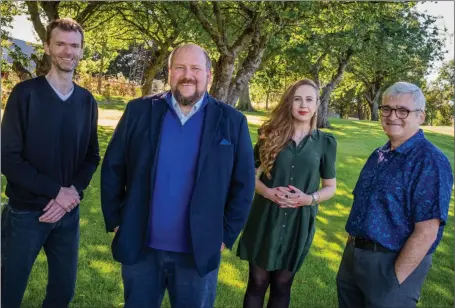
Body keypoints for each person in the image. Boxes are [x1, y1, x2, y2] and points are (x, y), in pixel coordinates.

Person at [101, 43, 256, 308]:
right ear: (170, 72)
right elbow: (113, 167)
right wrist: (116, 219)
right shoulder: (139, 111)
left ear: (208, 74)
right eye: (180, 67)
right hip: (141, 248)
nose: (188, 75)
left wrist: (225, 235)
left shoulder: (232, 121)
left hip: (197, 252)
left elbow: (243, 185)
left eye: (196, 68)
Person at [1, 18, 100, 308]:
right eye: (60, 44)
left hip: (67, 217)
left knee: (62, 292)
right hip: (26, 215)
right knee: (8, 292)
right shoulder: (25, 94)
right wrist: (57, 191)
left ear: (81, 51)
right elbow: (7, 158)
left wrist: (71, 194)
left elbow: (92, 156)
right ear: (47, 47)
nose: (68, 51)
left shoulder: (87, 101)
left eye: (74, 46)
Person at [336, 82, 453, 308]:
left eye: (403, 111)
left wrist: (394, 280)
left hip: (393, 264)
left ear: (421, 116)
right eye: (387, 109)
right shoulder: (379, 154)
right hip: (354, 259)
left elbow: (427, 232)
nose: (392, 116)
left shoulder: (429, 162)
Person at [236, 79, 337, 308]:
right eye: (297, 99)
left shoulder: (325, 142)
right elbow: (249, 176)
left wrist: (309, 199)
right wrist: (269, 192)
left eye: (309, 99)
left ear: (317, 104)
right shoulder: (268, 133)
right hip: (265, 218)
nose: (303, 105)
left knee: (283, 283)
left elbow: (330, 187)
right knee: (257, 281)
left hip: (297, 223)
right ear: (289, 102)